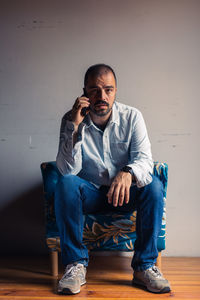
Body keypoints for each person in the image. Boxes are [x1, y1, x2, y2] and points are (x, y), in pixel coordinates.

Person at [55, 64, 171, 294]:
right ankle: (76, 265)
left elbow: (145, 160)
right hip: (91, 194)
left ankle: (144, 267)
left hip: (125, 195)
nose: (102, 96)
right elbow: (67, 169)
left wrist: (127, 172)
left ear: (116, 91)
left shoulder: (132, 117)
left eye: (108, 90)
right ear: (84, 93)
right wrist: (75, 127)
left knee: (154, 186)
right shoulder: (71, 120)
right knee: (66, 183)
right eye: (95, 90)